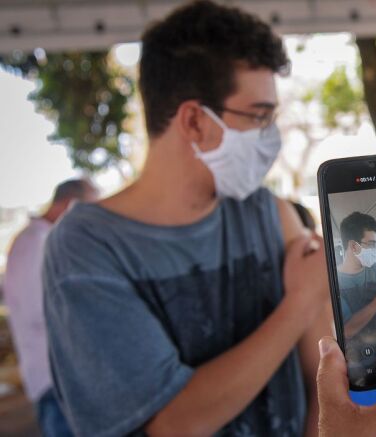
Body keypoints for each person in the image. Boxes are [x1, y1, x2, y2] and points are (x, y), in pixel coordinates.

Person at [42, 2, 331, 436]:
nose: (270, 136)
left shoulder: (268, 213)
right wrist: (298, 306)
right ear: (195, 121)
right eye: (258, 116)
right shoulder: (88, 248)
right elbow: (170, 423)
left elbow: (322, 383)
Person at [4, 178, 98, 437]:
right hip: (55, 379)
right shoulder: (36, 242)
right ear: (71, 205)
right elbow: (41, 311)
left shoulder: (40, 239)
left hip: (57, 377)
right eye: (90, 209)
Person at [336, 212, 376, 368]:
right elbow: (346, 330)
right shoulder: (335, 281)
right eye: (371, 244)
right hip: (354, 362)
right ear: (354, 246)